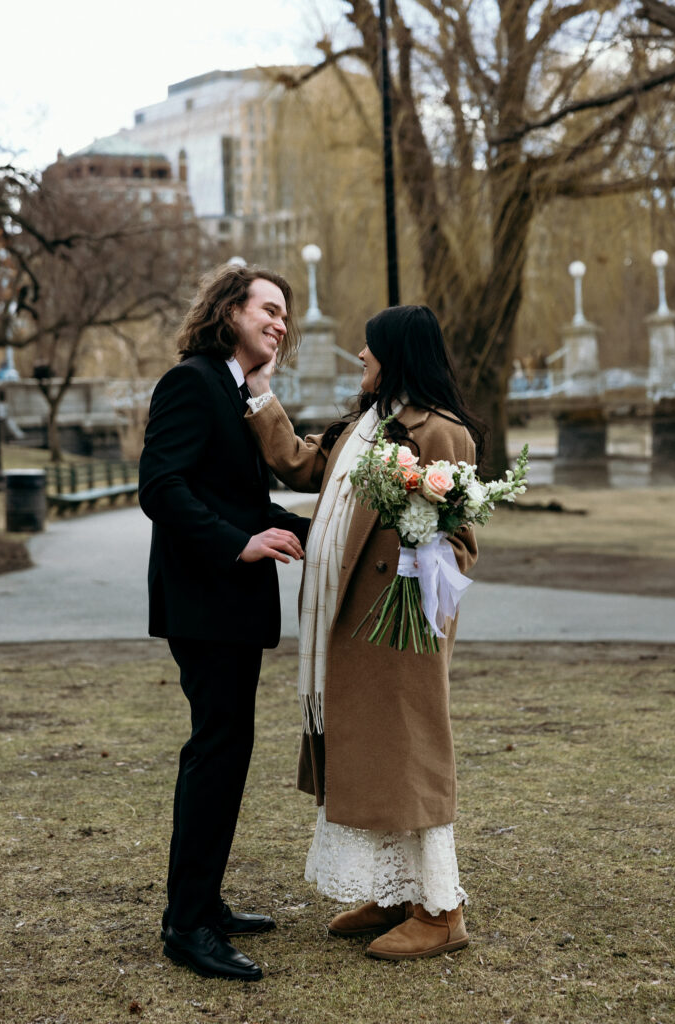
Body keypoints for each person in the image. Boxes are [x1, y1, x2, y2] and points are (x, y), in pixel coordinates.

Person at [244, 304, 484, 961]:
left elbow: (458, 537)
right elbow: (300, 467)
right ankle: (390, 892)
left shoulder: (438, 430)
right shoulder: (362, 424)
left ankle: (440, 913)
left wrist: (413, 537)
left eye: (369, 347)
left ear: (397, 355)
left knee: (406, 755)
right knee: (368, 758)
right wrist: (261, 395)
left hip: (396, 628)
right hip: (346, 621)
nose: (358, 355)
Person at [138, 264, 310, 981]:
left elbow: (236, 498)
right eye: (267, 309)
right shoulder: (193, 381)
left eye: (284, 315)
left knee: (227, 752)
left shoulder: (235, 392)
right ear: (228, 311)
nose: (279, 322)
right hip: (204, 604)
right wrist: (239, 543)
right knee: (214, 753)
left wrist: (324, 523)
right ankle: (186, 926)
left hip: (229, 607)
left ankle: (204, 904)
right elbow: (161, 487)